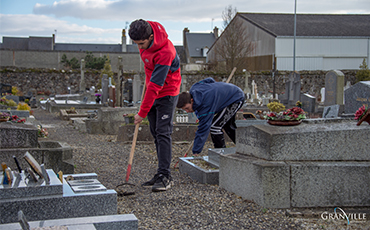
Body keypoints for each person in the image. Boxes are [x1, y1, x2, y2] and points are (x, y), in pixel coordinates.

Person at [128, 19, 181, 192]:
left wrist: (141, 113)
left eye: (142, 43)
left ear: (151, 37)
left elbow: (156, 86)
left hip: (167, 91)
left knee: (163, 132)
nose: (140, 48)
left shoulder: (166, 51)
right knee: (155, 132)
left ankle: (166, 176)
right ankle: (160, 173)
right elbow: (148, 67)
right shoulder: (143, 39)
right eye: (136, 44)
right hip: (152, 87)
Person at [176, 77, 244, 155]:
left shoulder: (206, 106)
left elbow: (203, 130)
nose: (187, 111)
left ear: (192, 100)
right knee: (227, 125)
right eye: (185, 110)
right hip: (229, 95)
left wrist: (196, 151)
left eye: (187, 108)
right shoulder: (195, 87)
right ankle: (244, 148)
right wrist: (216, 89)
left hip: (236, 98)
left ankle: (221, 155)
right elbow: (209, 80)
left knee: (215, 127)